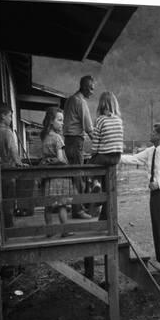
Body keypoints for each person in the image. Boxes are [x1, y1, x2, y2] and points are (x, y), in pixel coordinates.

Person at [120, 122, 160, 279]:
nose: (150, 134)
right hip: (154, 195)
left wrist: (159, 183)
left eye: (153, 132)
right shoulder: (150, 151)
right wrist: (115, 156)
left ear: (159, 135)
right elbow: (133, 159)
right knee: (156, 228)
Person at [63, 75, 95, 219]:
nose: (92, 92)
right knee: (78, 176)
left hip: (67, 141)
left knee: (73, 175)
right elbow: (89, 127)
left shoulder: (70, 100)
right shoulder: (80, 102)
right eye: (91, 88)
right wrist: (99, 143)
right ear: (84, 86)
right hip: (76, 141)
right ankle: (78, 210)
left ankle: (74, 206)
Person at [40, 107, 74, 238]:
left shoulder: (44, 137)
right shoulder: (58, 138)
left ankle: (49, 231)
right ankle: (64, 230)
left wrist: (48, 162)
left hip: (49, 177)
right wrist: (62, 162)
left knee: (48, 205)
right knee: (62, 205)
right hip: (60, 176)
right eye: (59, 120)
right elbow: (60, 159)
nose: (62, 123)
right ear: (51, 121)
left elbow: (44, 156)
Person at [90, 91, 124, 219]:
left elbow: (95, 141)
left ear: (101, 105)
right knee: (108, 186)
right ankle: (104, 217)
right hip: (116, 158)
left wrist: (93, 154)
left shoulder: (100, 120)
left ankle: (96, 183)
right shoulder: (119, 121)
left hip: (103, 156)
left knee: (90, 164)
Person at [0, 106, 24, 227]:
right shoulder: (7, 131)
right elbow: (13, 150)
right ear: (3, 116)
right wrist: (19, 163)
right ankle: (9, 225)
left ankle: (1, 224)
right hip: (8, 169)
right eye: (10, 116)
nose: (11, 119)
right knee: (9, 198)